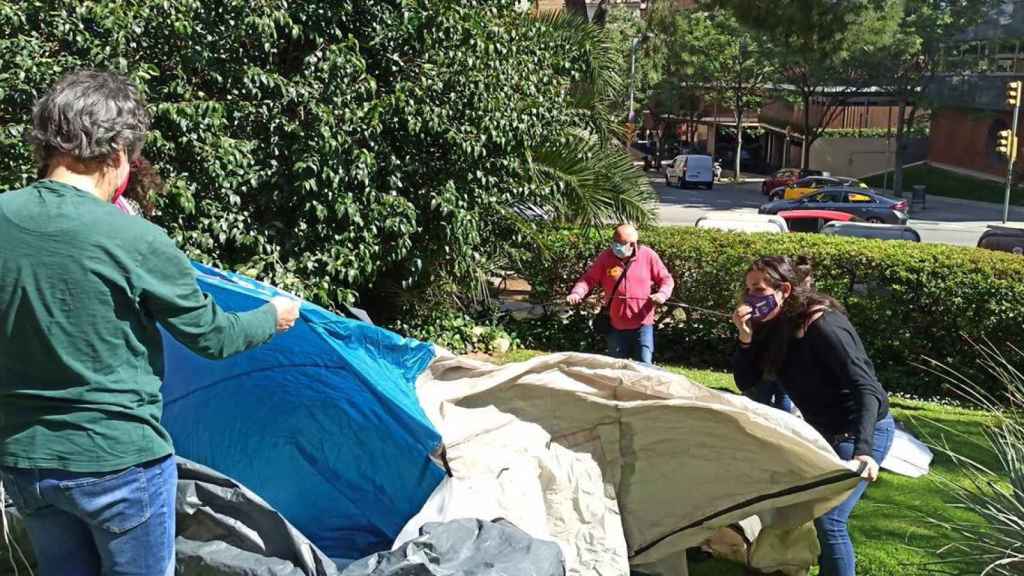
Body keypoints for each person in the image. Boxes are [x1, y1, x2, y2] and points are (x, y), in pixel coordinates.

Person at [0, 70, 301, 576]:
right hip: (118, 465)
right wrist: (272, 317)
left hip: (25, 461)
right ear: (118, 153)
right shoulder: (135, 239)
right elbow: (214, 337)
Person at [730, 256, 893, 576]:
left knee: (830, 518)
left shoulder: (823, 324)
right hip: (822, 433)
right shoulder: (774, 328)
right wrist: (745, 338)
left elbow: (867, 389)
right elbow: (749, 385)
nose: (751, 297)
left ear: (785, 290)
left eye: (759, 289)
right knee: (814, 513)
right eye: (748, 289)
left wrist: (864, 450)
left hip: (858, 430)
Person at [566, 224, 674, 364]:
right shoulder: (606, 257)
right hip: (615, 325)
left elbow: (666, 279)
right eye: (615, 242)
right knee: (614, 369)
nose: (617, 246)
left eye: (621, 243)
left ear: (633, 243)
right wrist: (576, 293)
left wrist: (662, 295)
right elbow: (588, 279)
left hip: (642, 325)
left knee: (644, 368)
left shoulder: (648, 255)